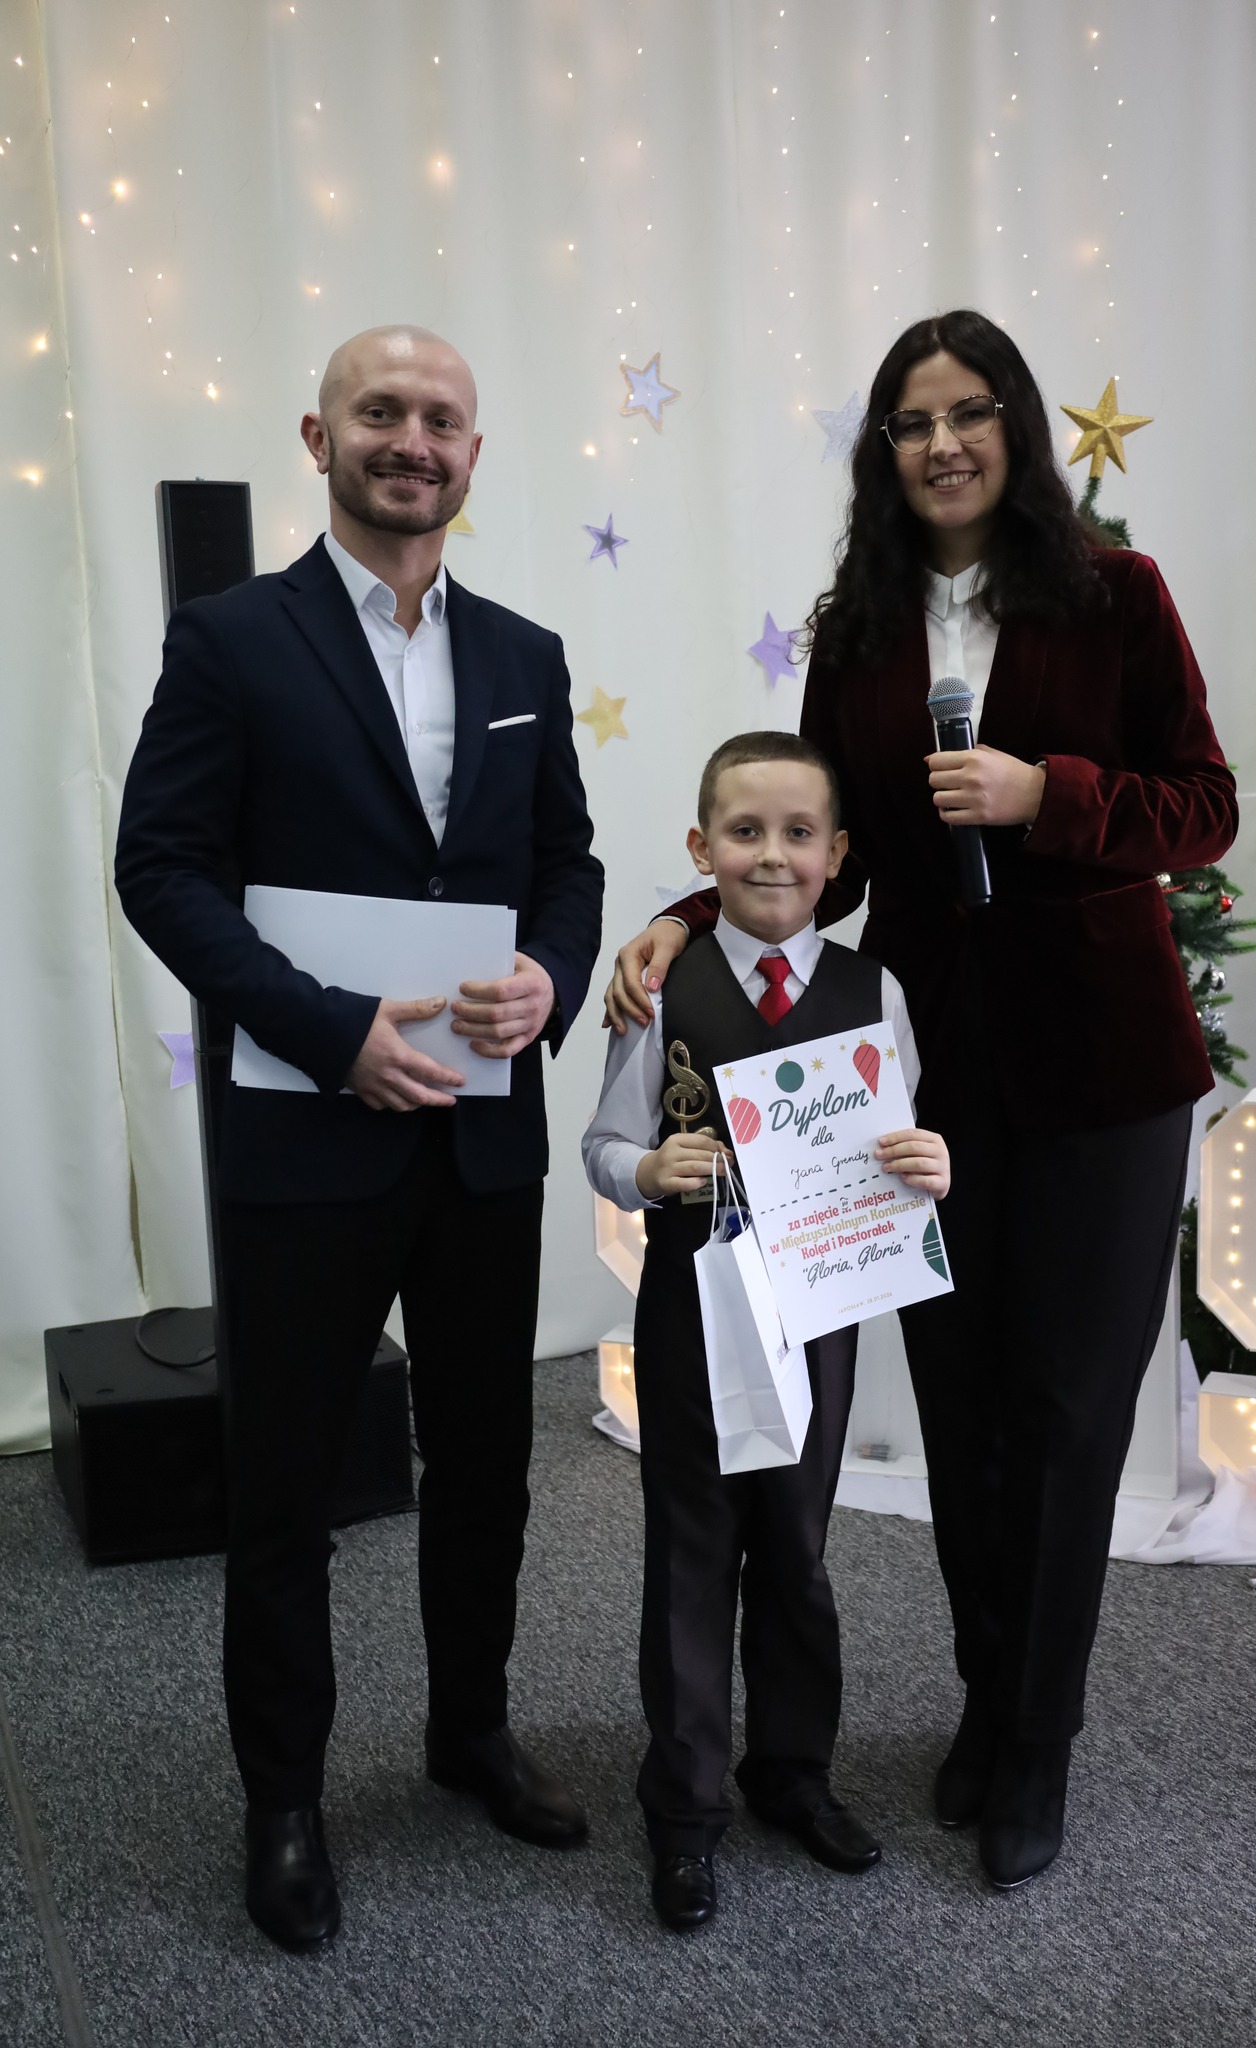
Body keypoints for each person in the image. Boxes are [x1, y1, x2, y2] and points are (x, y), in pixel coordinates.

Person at [605, 310, 1237, 1892]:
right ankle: (981, 1693)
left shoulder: (1116, 595)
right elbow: (826, 857)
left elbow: (1205, 807)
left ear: (1014, 424)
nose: (941, 444)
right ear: (882, 452)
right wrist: (683, 920)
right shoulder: (865, 627)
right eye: (910, 422)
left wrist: (1049, 795)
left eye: (968, 413)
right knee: (961, 1413)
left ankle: (1038, 1742)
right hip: (922, 1076)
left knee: (1069, 1417)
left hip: (1103, 1074)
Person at [116, 325, 604, 1950]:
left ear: (476, 453)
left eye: (441, 419)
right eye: (379, 412)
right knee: (285, 1491)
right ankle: (285, 1799)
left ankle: (470, 1734)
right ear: (319, 438)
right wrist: (331, 1031)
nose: (413, 440)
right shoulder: (231, 640)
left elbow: (566, 864)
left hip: (480, 1137)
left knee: (487, 1466)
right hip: (305, 1138)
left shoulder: (526, 655)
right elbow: (162, 867)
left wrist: (553, 971)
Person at [585, 732, 950, 1930]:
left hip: (818, 1312)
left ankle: (792, 1770)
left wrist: (930, 1166)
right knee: (694, 1547)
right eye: (746, 831)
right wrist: (646, 1168)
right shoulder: (660, 987)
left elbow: (897, 1146)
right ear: (703, 848)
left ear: (837, 854)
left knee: (796, 1539)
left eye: (800, 833)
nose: (773, 855)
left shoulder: (873, 993)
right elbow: (602, 1142)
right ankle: (685, 1809)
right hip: (691, 1303)